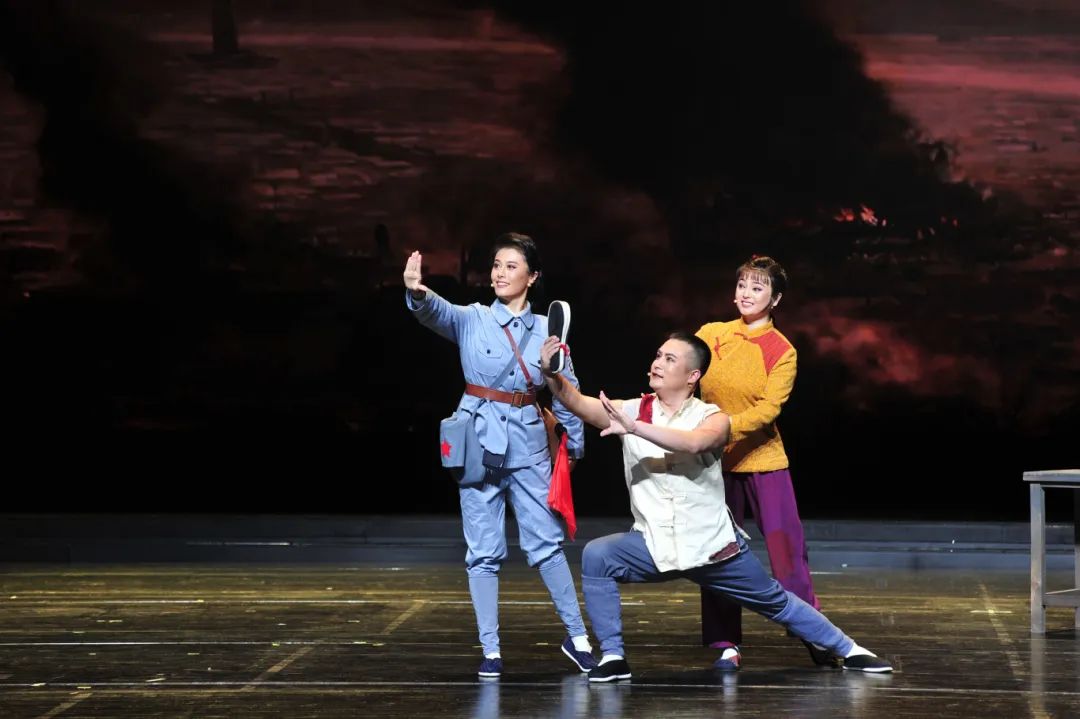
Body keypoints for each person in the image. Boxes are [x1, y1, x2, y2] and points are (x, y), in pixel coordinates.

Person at [536, 331, 892, 682]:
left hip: (712, 548)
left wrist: (635, 429)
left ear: (693, 376)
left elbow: (693, 443)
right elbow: (577, 402)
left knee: (774, 601)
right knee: (599, 555)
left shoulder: (713, 418)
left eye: (669, 359)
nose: (658, 363)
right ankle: (614, 657)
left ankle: (850, 649)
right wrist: (552, 374)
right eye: (658, 356)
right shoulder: (632, 410)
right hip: (655, 544)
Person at [403, 232, 596, 679]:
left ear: (533, 276)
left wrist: (573, 448)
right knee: (483, 552)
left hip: (529, 445)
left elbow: (568, 393)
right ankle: (490, 649)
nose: (500, 273)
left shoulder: (547, 330)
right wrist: (417, 292)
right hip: (476, 443)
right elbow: (438, 311)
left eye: (511, 266)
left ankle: (579, 638)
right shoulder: (474, 318)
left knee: (546, 545)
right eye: (496, 265)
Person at [695, 255, 818, 670]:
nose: (747, 293)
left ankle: (812, 630)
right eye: (743, 285)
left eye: (758, 287)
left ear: (775, 299)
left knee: (787, 551)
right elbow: (684, 375)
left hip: (763, 459)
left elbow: (768, 409)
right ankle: (725, 643)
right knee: (717, 552)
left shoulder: (781, 350)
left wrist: (722, 428)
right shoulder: (711, 335)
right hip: (714, 463)